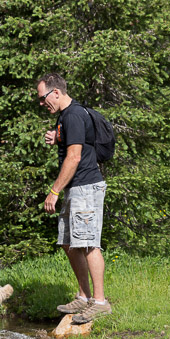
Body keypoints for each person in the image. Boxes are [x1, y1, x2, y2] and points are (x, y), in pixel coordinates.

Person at [36, 73, 110, 324]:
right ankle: (84, 295)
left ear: (55, 92)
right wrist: (58, 136)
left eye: (43, 97)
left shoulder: (74, 115)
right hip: (76, 189)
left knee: (89, 244)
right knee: (69, 243)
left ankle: (100, 302)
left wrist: (54, 190)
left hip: (86, 188)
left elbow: (75, 157)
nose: (41, 102)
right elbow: (79, 142)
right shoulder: (66, 117)